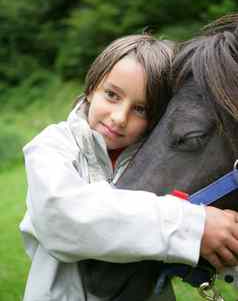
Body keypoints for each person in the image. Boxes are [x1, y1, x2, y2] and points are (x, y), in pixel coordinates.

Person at [20, 34, 238, 301]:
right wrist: (191, 227)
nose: (119, 118)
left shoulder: (150, 158)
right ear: (91, 88)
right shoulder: (51, 147)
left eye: (141, 109)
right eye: (112, 95)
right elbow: (59, 215)